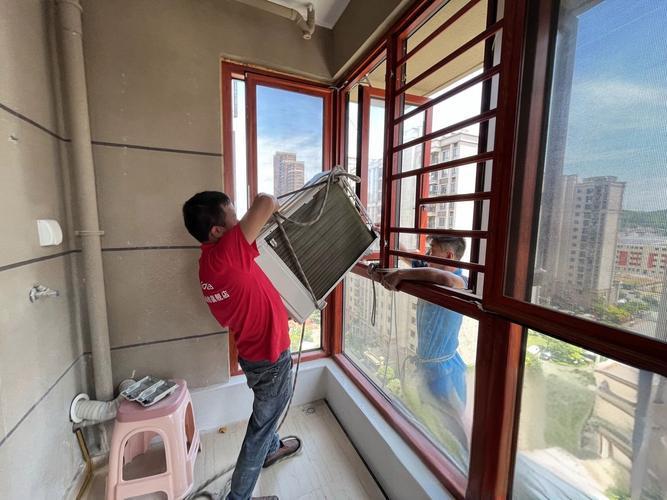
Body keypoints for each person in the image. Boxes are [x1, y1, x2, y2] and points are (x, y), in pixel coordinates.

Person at [182, 191, 301, 500]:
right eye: (233, 217)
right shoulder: (226, 253)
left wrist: (281, 310)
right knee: (260, 429)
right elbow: (265, 201)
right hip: (270, 357)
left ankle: (272, 450)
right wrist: (273, 206)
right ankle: (238, 497)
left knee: (266, 414)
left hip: (253, 354)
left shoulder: (210, 263)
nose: (240, 222)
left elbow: (248, 293)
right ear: (216, 231)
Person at [371, 235, 470, 463]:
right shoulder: (428, 269)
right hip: (429, 365)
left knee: (452, 420)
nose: (426, 255)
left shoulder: (459, 280)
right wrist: (381, 231)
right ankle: (441, 455)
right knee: (431, 415)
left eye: (431, 250)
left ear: (449, 256)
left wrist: (400, 274)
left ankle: (463, 460)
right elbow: (406, 253)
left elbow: (443, 278)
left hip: (446, 368)